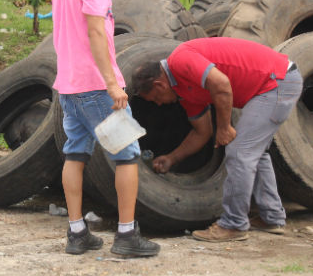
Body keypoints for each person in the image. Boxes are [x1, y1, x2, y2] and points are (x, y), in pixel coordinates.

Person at [52, 0, 159, 257]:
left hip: (68, 85)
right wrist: (112, 84)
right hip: (97, 87)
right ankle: (127, 236)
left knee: (75, 152)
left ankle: (77, 232)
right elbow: (97, 32)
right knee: (127, 156)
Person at [130, 37, 303, 242]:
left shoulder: (180, 60)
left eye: (156, 99)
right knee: (254, 153)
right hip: (271, 85)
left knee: (239, 153)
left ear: (159, 85)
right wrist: (172, 158)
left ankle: (233, 225)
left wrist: (225, 127)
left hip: (277, 81)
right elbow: (202, 132)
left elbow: (221, 84)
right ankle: (272, 218)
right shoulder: (185, 93)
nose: (159, 104)